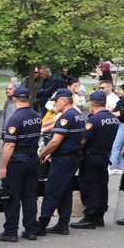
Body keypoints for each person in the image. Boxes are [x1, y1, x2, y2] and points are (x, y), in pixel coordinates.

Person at [0, 86, 43, 242]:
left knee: (12, 196)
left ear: (14, 99)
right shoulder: (36, 115)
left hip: (18, 159)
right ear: (28, 98)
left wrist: (3, 167)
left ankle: (10, 231)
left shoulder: (15, 118)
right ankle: (31, 230)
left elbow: (9, 145)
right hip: (33, 158)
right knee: (30, 196)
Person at [36, 88, 86, 236]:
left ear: (64, 101)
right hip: (72, 157)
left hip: (63, 159)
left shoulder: (66, 117)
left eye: (56, 101)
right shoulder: (78, 115)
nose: (55, 104)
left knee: (52, 190)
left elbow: (55, 141)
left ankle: (42, 224)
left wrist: (42, 154)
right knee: (65, 192)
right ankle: (63, 224)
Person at [73, 90, 121, 229]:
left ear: (93, 104)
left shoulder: (94, 119)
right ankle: (99, 215)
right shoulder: (112, 118)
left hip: (91, 156)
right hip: (104, 156)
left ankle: (90, 216)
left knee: (89, 185)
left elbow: (83, 140)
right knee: (101, 185)